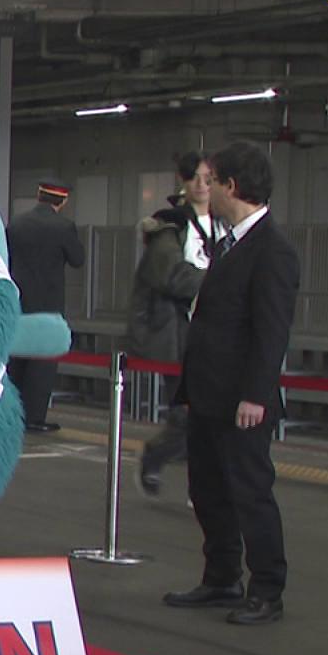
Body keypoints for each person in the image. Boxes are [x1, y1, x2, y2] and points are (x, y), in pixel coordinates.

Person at [162, 141, 300, 626]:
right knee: (209, 489)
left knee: (250, 492)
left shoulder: (272, 251)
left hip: (242, 399)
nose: (205, 190)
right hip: (208, 394)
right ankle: (221, 576)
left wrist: (256, 394)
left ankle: (267, 589)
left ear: (232, 186)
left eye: (212, 181)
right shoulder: (229, 243)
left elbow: (271, 330)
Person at [128, 200, 206, 495]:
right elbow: (177, 280)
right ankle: (158, 455)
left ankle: (187, 470)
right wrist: (221, 276)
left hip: (187, 339)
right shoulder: (166, 241)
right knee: (189, 414)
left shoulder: (176, 241)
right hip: (173, 341)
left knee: (195, 414)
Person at [4, 180, 84, 432]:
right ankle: (34, 417)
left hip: (18, 300)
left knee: (16, 357)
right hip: (48, 302)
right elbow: (78, 259)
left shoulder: (16, 223)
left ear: (39, 196)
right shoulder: (63, 226)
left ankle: (11, 413)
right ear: (63, 201)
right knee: (43, 362)